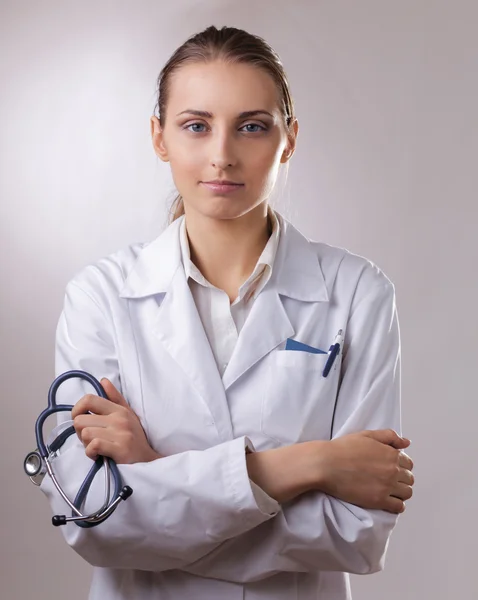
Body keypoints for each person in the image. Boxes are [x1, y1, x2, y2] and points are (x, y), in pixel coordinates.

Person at [40, 24, 414, 600]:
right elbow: (94, 519)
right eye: (196, 126)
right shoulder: (102, 295)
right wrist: (308, 465)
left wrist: (154, 474)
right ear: (159, 137)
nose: (221, 156)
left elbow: (357, 534)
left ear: (288, 139)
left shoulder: (358, 293)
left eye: (251, 127)